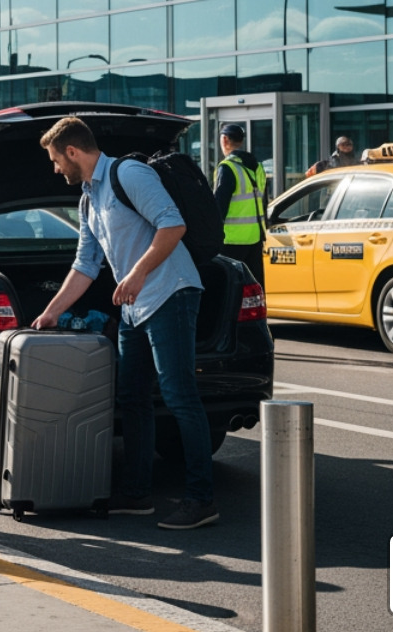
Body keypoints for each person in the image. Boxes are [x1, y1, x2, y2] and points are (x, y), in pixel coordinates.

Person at [30, 117, 218, 530]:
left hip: (170, 292)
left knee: (179, 394)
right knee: (131, 396)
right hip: (134, 308)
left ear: (73, 151)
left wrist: (136, 274)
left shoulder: (128, 174)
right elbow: (85, 264)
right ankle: (136, 494)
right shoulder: (88, 199)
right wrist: (52, 311)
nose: (55, 169)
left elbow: (173, 225)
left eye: (56, 160)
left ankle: (201, 499)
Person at [211, 125, 268, 288]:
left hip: (231, 239)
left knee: (230, 288)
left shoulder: (228, 167)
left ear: (224, 139)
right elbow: (263, 202)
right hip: (255, 236)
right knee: (254, 286)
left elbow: (219, 205)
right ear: (241, 141)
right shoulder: (258, 167)